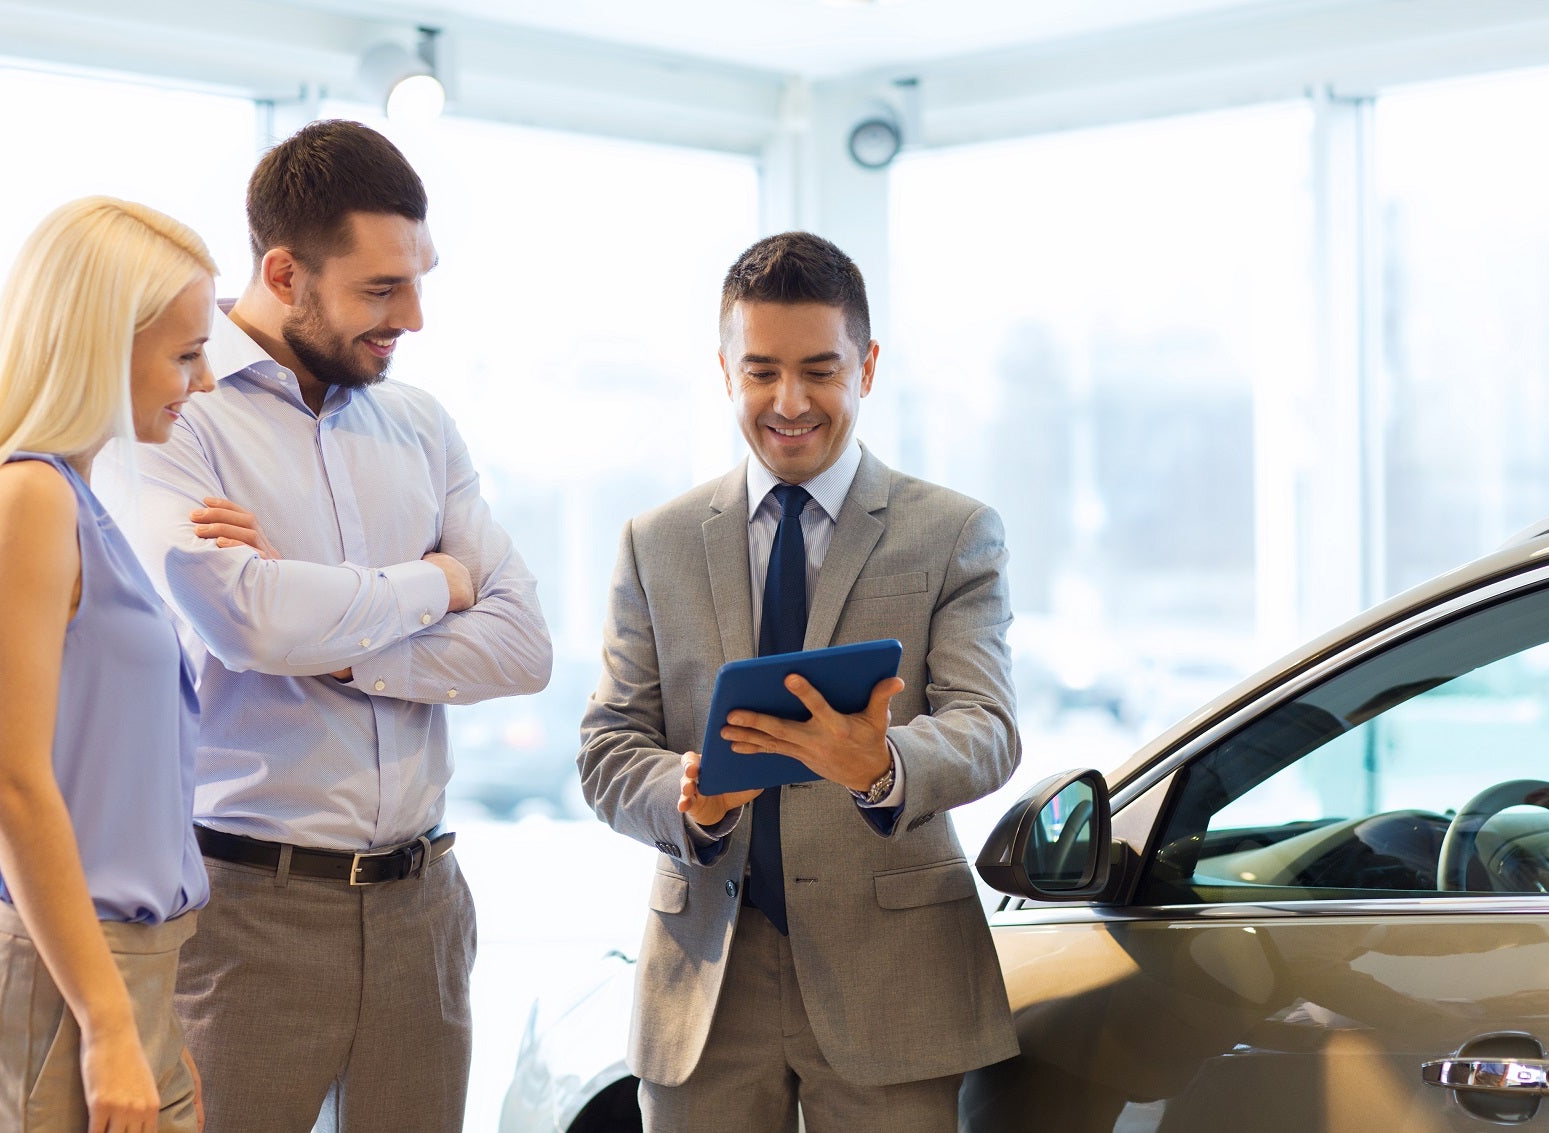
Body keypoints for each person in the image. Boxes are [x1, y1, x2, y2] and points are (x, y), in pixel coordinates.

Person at [108, 119, 552, 1132]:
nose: (416, 317)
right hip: (248, 911)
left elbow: (524, 645)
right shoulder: (176, 411)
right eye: (382, 289)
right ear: (283, 271)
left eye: (420, 278)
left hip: (424, 906)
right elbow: (250, 623)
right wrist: (434, 583)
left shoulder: (421, 423)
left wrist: (338, 642)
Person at [579, 231, 1020, 1132]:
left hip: (892, 978)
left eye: (821, 369)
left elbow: (986, 725)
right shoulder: (655, 540)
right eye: (761, 372)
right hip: (705, 979)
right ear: (725, 369)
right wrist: (686, 797)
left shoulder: (954, 531)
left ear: (868, 366)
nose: (789, 402)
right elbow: (609, 744)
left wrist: (882, 763)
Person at [0, 196, 219, 1132]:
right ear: (99, 343)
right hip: (62, 976)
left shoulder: (68, 498)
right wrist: (109, 1019)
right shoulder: (31, 498)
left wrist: (138, 1016)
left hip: (97, 970)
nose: (198, 383)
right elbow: (9, 783)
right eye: (184, 353)